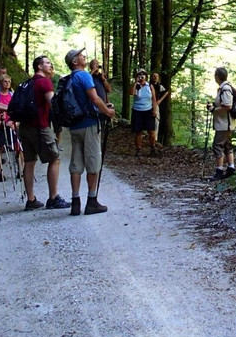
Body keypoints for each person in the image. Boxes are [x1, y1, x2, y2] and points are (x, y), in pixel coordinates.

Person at [64, 48, 117, 215]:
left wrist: (101, 107)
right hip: (88, 124)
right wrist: (107, 112)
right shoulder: (84, 75)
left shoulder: (69, 79)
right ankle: (92, 201)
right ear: (75, 62)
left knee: (76, 164)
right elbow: (94, 98)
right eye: (80, 55)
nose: (83, 56)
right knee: (93, 162)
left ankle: (75, 202)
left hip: (75, 126)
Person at [18, 55, 67, 210]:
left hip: (25, 127)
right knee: (55, 159)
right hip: (40, 126)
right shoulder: (44, 82)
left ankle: (31, 200)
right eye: (47, 63)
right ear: (39, 66)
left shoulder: (28, 83)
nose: (50, 65)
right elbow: (53, 104)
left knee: (29, 162)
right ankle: (53, 198)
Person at [209, 67, 236, 180]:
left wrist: (213, 109)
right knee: (227, 145)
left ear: (217, 76)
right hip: (226, 123)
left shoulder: (225, 89)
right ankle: (231, 168)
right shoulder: (224, 88)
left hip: (224, 124)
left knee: (217, 145)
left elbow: (227, 106)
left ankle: (219, 170)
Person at [128, 68, 156, 157]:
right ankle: (138, 150)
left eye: (143, 75)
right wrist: (136, 82)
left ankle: (153, 148)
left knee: (151, 131)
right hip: (137, 111)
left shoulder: (150, 86)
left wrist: (154, 110)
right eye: (140, 75)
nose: (142, 76)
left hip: (148, 110)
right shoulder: (136, 86)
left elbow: (154, 98)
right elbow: (131, 93)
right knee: (138, 131)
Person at [148, 71, 170, 154]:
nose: (155, 78)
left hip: (155, 105)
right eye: (154, 76)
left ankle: (155, 139)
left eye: (157, 76)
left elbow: (166, 92)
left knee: (156, 121)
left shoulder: (159, 86)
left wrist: (159, 100)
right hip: (147, 105)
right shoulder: (148, 85)